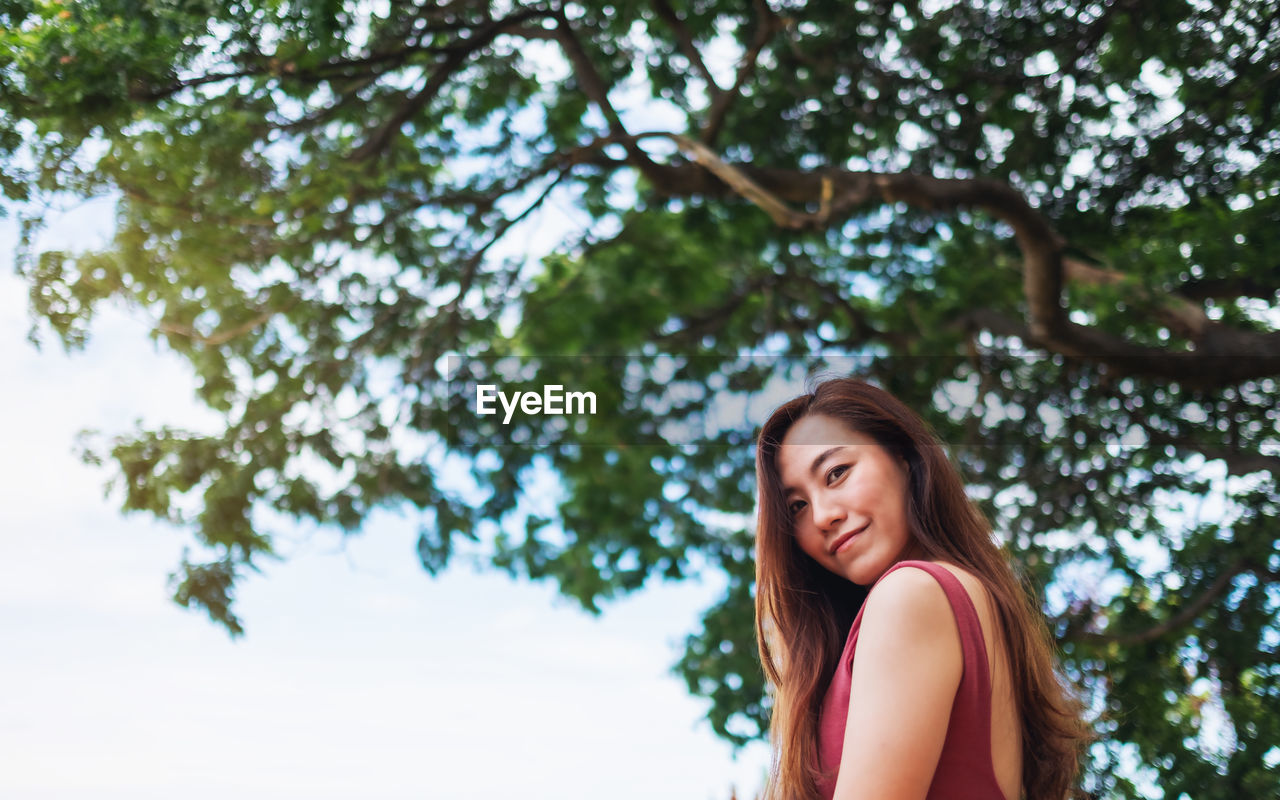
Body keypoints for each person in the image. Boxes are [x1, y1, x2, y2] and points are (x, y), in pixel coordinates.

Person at [753, 378, 1090, 800]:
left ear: (904, 457)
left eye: (836, 473)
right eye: (797, 506)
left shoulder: (910, 594)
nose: (822, 516)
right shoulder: (961, 596)